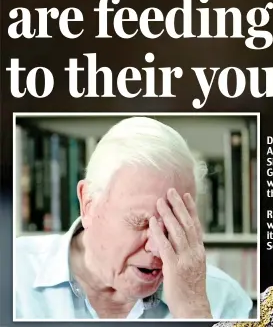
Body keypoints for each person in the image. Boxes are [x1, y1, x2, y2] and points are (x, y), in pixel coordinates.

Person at [15, 117, 253, 320]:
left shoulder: (224, 300)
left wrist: (193, 313)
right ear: (88, 203)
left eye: (173, 226)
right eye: (140, 222)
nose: (159, 248)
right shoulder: (14, 273)